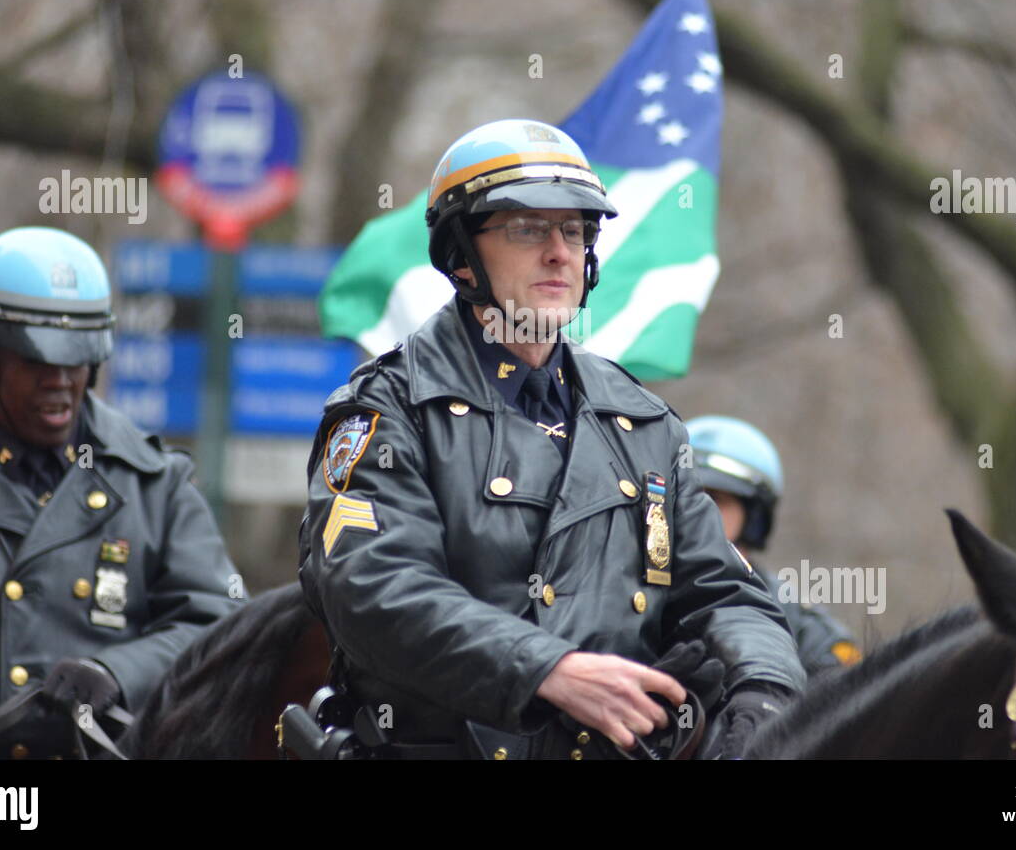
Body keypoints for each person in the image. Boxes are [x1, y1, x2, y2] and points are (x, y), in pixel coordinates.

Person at [299, 119, 805, 760]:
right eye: (528, 229)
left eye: (574, 231)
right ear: (461, 252)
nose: (560, 252)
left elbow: (727, 593)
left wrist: (764, 692)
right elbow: (372, 587)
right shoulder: (386, 407)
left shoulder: (645, 422)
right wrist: (550, 670)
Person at [0, 226, 245, 759]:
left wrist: (115, 672)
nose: (59, 381)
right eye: (36, 361)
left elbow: (220, 625)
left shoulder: (155, 485)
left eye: (75, 361)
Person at [685, 415, 861, 674]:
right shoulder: (629, 592)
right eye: (688, 496)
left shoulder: (805, 629)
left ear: (755, 518)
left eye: (715, 499)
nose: (698, 511)